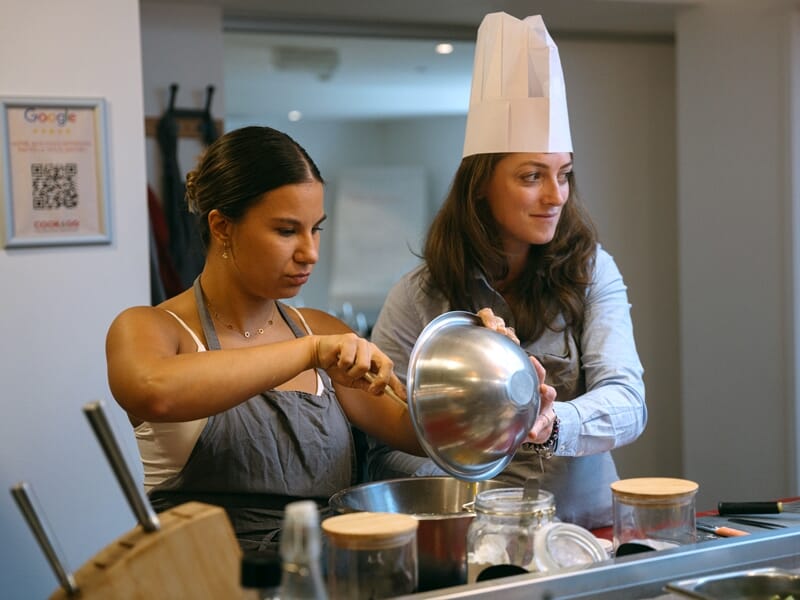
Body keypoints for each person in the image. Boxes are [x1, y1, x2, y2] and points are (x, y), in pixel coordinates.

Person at [365, 13, 647, 529]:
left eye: (563, 175)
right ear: (480, 185)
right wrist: (467, 465)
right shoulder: (420, 296)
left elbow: (628, 401)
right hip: (477, 536)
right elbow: (379, 438)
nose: (555, 196)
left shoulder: (590, 270)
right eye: (531, 176)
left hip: (589, 528)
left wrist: (550, 422)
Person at [106, 126, 426, 552]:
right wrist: (308, 352)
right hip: (207, 582)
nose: (310, 252)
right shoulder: (151, 328)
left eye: (316, 229)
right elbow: (154, 392)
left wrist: (495, 380)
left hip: (324, 575)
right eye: (286, 230)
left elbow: (415, 429)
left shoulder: (322, 328)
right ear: (222, 227)